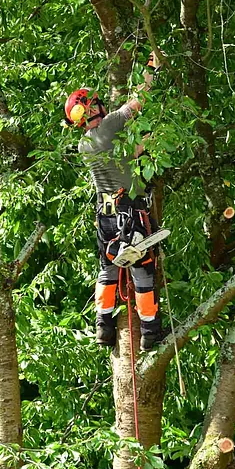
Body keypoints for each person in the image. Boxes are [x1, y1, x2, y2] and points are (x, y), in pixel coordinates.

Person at [64, 54, 162, 351]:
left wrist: (146, 144)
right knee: (143, 269)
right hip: (130, 212)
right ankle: (150, 332)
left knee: (107, 270)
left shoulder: (85, 144)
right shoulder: (110, 125)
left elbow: (127, 156)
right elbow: (139, 100)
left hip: (105, 217)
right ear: (93, 107)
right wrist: (151, 69)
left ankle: (103, 328)